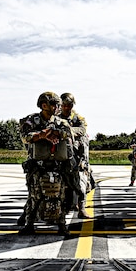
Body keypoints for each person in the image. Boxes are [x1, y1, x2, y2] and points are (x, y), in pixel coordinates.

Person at [18, 91, 74, 235]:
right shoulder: (31, 120)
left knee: (61, 196)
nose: (58, 107)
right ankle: (29, 224)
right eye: (55, 104)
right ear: (44, 105)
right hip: (38, 165)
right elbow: (25, 136)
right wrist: (41, 135)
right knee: (34, 196)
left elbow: (68, 132)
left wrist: (55, 133)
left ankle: (62, 225)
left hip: (58, 166)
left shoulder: (61, 122)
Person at [58, 92, 94, 219]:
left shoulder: (77, 118)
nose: (67, 107)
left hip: (74, 157)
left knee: (80, 185)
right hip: (58, 156)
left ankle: (82, 208)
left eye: (70, 105)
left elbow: (82, 129)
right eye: (65, 105)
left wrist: (68, 131)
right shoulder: (55, 118)